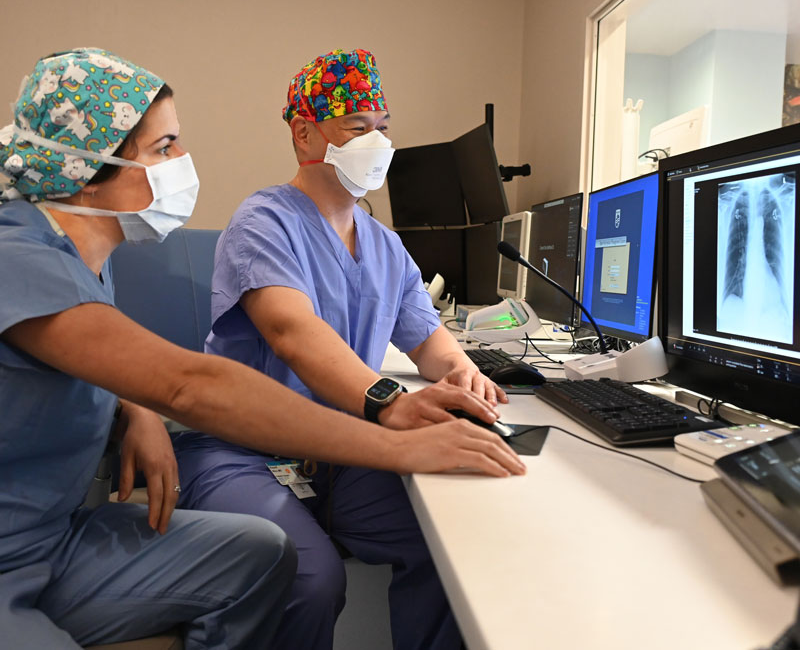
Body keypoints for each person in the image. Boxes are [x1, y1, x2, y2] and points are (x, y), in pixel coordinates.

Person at [0, 48, 525, 650]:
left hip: (58, 540)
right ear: (85, 169)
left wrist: (135, 406)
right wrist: (388, 419)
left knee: (446, 540)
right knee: (308, 575)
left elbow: (98, 353)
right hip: (228, 459)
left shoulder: (84, 262)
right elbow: (202, 378)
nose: (182, 164)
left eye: (383, 128)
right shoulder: (18, 257)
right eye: (164, 148)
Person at [172, 49, 511, 650]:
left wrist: (466, 375)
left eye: (382, 128)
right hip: (244, 451)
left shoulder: (384, 245)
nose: (377, 142)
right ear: (305, 133)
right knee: (307, 578)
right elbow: (291, 333)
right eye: (358, 127)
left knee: (458, 544)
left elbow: (431, 342)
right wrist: (386, 401)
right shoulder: (264, 222)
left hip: (342, 453)